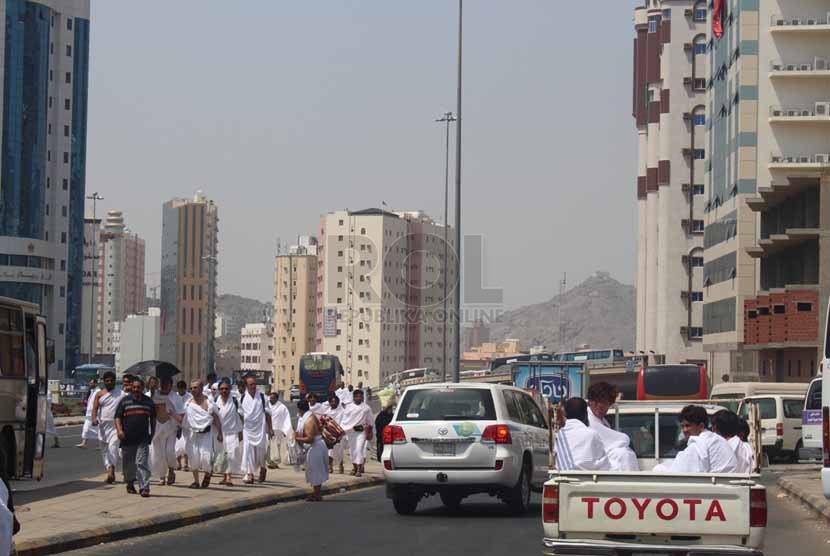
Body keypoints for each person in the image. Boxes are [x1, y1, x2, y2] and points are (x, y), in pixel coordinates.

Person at [653, 405, 738, 473]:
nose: (684, 430)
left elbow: (679, 473)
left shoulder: (700, 443)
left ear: (701, 426)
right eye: (682, 426)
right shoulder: (714, 439)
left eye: (688, 426)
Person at [115, 377, 156, 497]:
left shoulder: (148, 402)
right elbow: (117, 417)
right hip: (127, 438)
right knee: (128, 464)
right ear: (131, 388)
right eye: (134, 387)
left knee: (141, 462)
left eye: (138, 387)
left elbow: (153, 419)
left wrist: (153, 433)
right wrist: (119, 430)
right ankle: (130, 482)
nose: (136, 389)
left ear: (143, 388)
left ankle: (144, 487)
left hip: (143, 438)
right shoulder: (124, 401)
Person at [586, 382, 639, 471]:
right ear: (591, 402)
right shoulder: (587, 418)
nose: (600, 407)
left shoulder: (604, 421)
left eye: (605, 404)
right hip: (594, 459)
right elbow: (616, 440)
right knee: (624, 454)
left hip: (605, 458)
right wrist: (624, 439)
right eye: (596, 403)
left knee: (625, 453)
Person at [184, 380, 223, 488]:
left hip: (206, 434)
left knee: (205, 458)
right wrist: (172, 414)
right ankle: (196, 481)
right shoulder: (188, 403)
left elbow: (216, 418)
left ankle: (207, 474)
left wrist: (220, 433)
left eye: (195, 387)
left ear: (201, 388)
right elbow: (184, 420)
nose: (193, 390)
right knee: (193, 457)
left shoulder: (209, 402)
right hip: (193, 434)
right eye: (191, 388)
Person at [555, 398, 611, 471]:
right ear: (586, 414)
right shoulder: (592, 434)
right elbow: (604, 464)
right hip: (589, 479)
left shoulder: (558, 435)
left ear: (565, 414)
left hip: (561, 479)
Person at [92, 371, 125, 483]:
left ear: (115, 381)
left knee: (113, 447)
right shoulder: (99, 394)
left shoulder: (121, 394)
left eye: (111, 380)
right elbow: (95, 409)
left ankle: (111, 469)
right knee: (105, 449)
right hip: (103, 426)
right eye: (107, 381)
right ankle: (109, 468)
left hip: (116, 425)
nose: (109, 382)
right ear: (104, 382)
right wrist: (94, 418)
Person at [239, 376, 273, 484]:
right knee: (248, 450)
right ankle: (250, 474)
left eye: (254, 384)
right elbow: (241, 415)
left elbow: (268, 414)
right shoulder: (242, 398)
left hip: (260, 428)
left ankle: (263, 468)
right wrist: (241, 429)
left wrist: (270, 428)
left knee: (260, 451)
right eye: (251, 384)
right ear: (246, 386)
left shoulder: (263, 397)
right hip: (248, 429)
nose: (253, 386)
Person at [294, 399, 329, 502]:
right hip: (316, 447)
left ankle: (317, 494)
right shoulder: (310, 416)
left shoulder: (309, 420)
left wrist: (296, 439)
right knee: (314, 470)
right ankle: (316, 493)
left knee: (316, 471)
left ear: (300, 410)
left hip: (316, 447)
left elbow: (310, 439)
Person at [149, 377, 180, 486]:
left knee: (169, 451)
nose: (164, 386)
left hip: (171, 428)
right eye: (163, 384)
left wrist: (173, 414)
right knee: (159, 454)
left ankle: (171, 470)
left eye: (167, 384)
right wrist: (152, 391)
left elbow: (180, 414)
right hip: (157, 428)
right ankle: (162, 476)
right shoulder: (154, 394)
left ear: (171, 386)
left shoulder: (175, 397)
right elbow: (150, 406)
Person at [215, 379, 244, 486]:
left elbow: (241, 416)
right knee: (222, 455)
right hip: (220, 433)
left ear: (230, 389)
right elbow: (213, 417)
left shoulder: (235, 401)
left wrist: (241, 431)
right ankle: (224, 476)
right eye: (222, 389)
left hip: (232, 432)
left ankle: (229, 476)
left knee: (232, 454)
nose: (224, 391)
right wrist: (217, 432)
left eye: (226, 388)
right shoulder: (215, 401)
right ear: (219, 390)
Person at [341, 389, 373, 477]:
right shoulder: (349, 407)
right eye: (357, 396)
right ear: (354, 397)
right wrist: (342, 430)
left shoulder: (366, 408)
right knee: (352, 451)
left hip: (361, 431)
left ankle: (359, 469)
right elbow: (345, 420)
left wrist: (370, 432)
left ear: (363, 397)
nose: (359, 398)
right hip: (351, 432)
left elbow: (370, 421)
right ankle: (354, 467)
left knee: (359, 449)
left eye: (360, 396)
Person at [266, 391, 292, 469]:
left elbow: (286, 418)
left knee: (276, 446)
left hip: (278, 429)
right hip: (267, 428)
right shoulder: (266, 405)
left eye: (273, 398)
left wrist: (286, 429)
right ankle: (269, 461)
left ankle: (275, 462)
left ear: (277, 399)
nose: (271, 399)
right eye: (270, 398)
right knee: (267, 446)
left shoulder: (282, 407)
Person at [324, 393, 346, 474]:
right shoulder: (327, 412)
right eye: (332, 401)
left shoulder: (342, 412)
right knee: (330, 451)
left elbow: (344, 422)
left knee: (339, 452)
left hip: (339, 434)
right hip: (330, 434)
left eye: (335, 401)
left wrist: (340, 432)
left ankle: (340, 465)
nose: (333, 403)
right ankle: (330, 466)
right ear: (329, 403)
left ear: (337, 402)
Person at [172, 380, 191, 471]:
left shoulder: (189, 397)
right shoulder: (175, 396)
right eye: (179, 389)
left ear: (185, 388)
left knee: (187, 443)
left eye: (182, 389)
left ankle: (186, 464)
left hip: (187, 423)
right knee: (177, 445)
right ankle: (179, 463)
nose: (180, 391)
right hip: (176, 423)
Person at [77, 378, 100, 448]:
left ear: (95, 383)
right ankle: (84, 443)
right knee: (86, 428)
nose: (90, 384)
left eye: (91, 383)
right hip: (89, 413)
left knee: (98, 430)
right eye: (90, 383)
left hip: (95, 413)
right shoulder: (91, 391)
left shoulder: (98, 391)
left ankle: (100, 444)